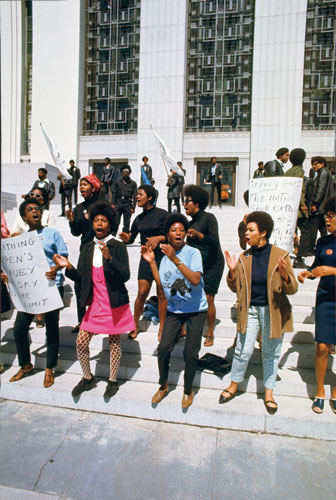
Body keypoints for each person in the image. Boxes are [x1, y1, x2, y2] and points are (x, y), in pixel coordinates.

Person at [53, 201, 135, 399]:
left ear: (110, 224)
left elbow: (125, 276)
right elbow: (82, 278)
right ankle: (88, 378)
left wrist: (109, 258)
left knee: (114, 342)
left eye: (103, 221)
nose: (99, 224)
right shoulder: (88, 247)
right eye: (96, 220)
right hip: (95, 303)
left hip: (114, 302)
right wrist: (68, 267)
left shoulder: (117, 246)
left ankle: (113, 381)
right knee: (81, 342)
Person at [219, 211, 298, 414]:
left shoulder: (281, 255)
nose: (247, 233)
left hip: (273, 311)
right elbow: (235, 287)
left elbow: (293, 289)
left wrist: (285, 276)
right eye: (246, 230)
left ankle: (269, 392)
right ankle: (234, 384)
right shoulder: (245, 257)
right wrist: (232, 271)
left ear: (263, 233)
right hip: (250, 310)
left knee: (270, 354)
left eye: (251, 230)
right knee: (243, 350)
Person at [141, 213, 208, 409]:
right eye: (173, 230)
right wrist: (152, 261)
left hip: (196, 309)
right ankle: (163, 385)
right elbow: (162, 287)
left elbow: (195, 279)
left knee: (190, 352)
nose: (178, 233)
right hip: (174, 310)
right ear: (168, 235)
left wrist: (175, 259)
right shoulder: (164, 259)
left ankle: (188, 390)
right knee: (163, 348)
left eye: (181, 230)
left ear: (185, 234)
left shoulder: (193, 253)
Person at [3, 197, 68, 388]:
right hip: (29, 290)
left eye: (37, 208)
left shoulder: (52, 233)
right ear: (24, 216)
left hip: (51, 286)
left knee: (51, 328)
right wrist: (9, 276)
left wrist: (55, 269)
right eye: (30, 209)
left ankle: (49, 368)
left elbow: (63, 256)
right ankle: (25, 364)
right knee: (20, 328)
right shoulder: (20, 239)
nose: (35, 211)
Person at [298, 196, 336, 415]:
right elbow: (316, 267)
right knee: (322, 346)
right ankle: (320, 389)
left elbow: (328, 269)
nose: (327, 220)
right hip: (325, 299)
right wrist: (308, 273)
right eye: (326, 216)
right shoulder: (323, 241)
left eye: (331, 216)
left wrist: (332, 271)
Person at [119, 185, 168, 340]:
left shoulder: (162, 214)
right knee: (141, 293)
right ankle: (134, 325)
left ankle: (162, 328)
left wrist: (159, 238)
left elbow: (173, 234)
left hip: (162, 259)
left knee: (161, 293)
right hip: (146, 259)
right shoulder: (138, 218)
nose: (137, 198)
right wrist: (127, 238)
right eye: (136, 195)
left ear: (150, 197)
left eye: (140, 195)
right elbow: (132, 237)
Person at [183, 185, 224, 347]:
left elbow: (214, 242)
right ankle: (186, 328)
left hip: (213, 264)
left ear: (197, 203)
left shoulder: (209, 218)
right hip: (197, 266)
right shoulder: (189, 223)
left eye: (187, 201)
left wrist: (199, 235)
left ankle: (210, 333)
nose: (185, 204)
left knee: (208, 298)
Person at [66, 174, 100, 332]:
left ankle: (98, 319)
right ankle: (82, 321)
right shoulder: (78, 208)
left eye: (85, 184)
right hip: (85, 249)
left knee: (98, 285)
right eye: (80, 185)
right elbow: (76, 233)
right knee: (79, 284)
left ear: (93, 188)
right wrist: (72, 221)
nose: (81, 188)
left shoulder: (101, 205)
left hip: (100, 249)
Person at [284, 148, 310, 269]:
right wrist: (302, 205)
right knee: (306, 231)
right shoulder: (298, 171)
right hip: (297, 208)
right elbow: (299, 189)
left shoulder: (288, 171)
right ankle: (299, 258)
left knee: (292, 232)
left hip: (288, 207)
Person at [306, 156, 334, 256]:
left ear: (322, 164)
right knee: (323, 228)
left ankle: (310, 249)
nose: (314, 166)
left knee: (313, 228)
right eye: (313, 164)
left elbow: (320, 189)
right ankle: (326, 246)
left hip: (319, 206)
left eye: (316, 164)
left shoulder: (323, 173)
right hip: (323, 206)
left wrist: (315, 203)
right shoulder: (324, 172)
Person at [112, 165, 137, 234]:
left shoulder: (133, 183)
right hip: (118, 203)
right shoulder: (118, 182)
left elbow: (135, 196)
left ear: (130, 173)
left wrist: (133, 207)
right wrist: (113, 204)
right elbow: (114, 193)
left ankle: (124, 239)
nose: (125, 173)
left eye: (127, 172)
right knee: (116, 221)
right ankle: (112, 238)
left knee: (126, 223)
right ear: (122, 173)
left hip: (127, 204)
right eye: (124, 171)